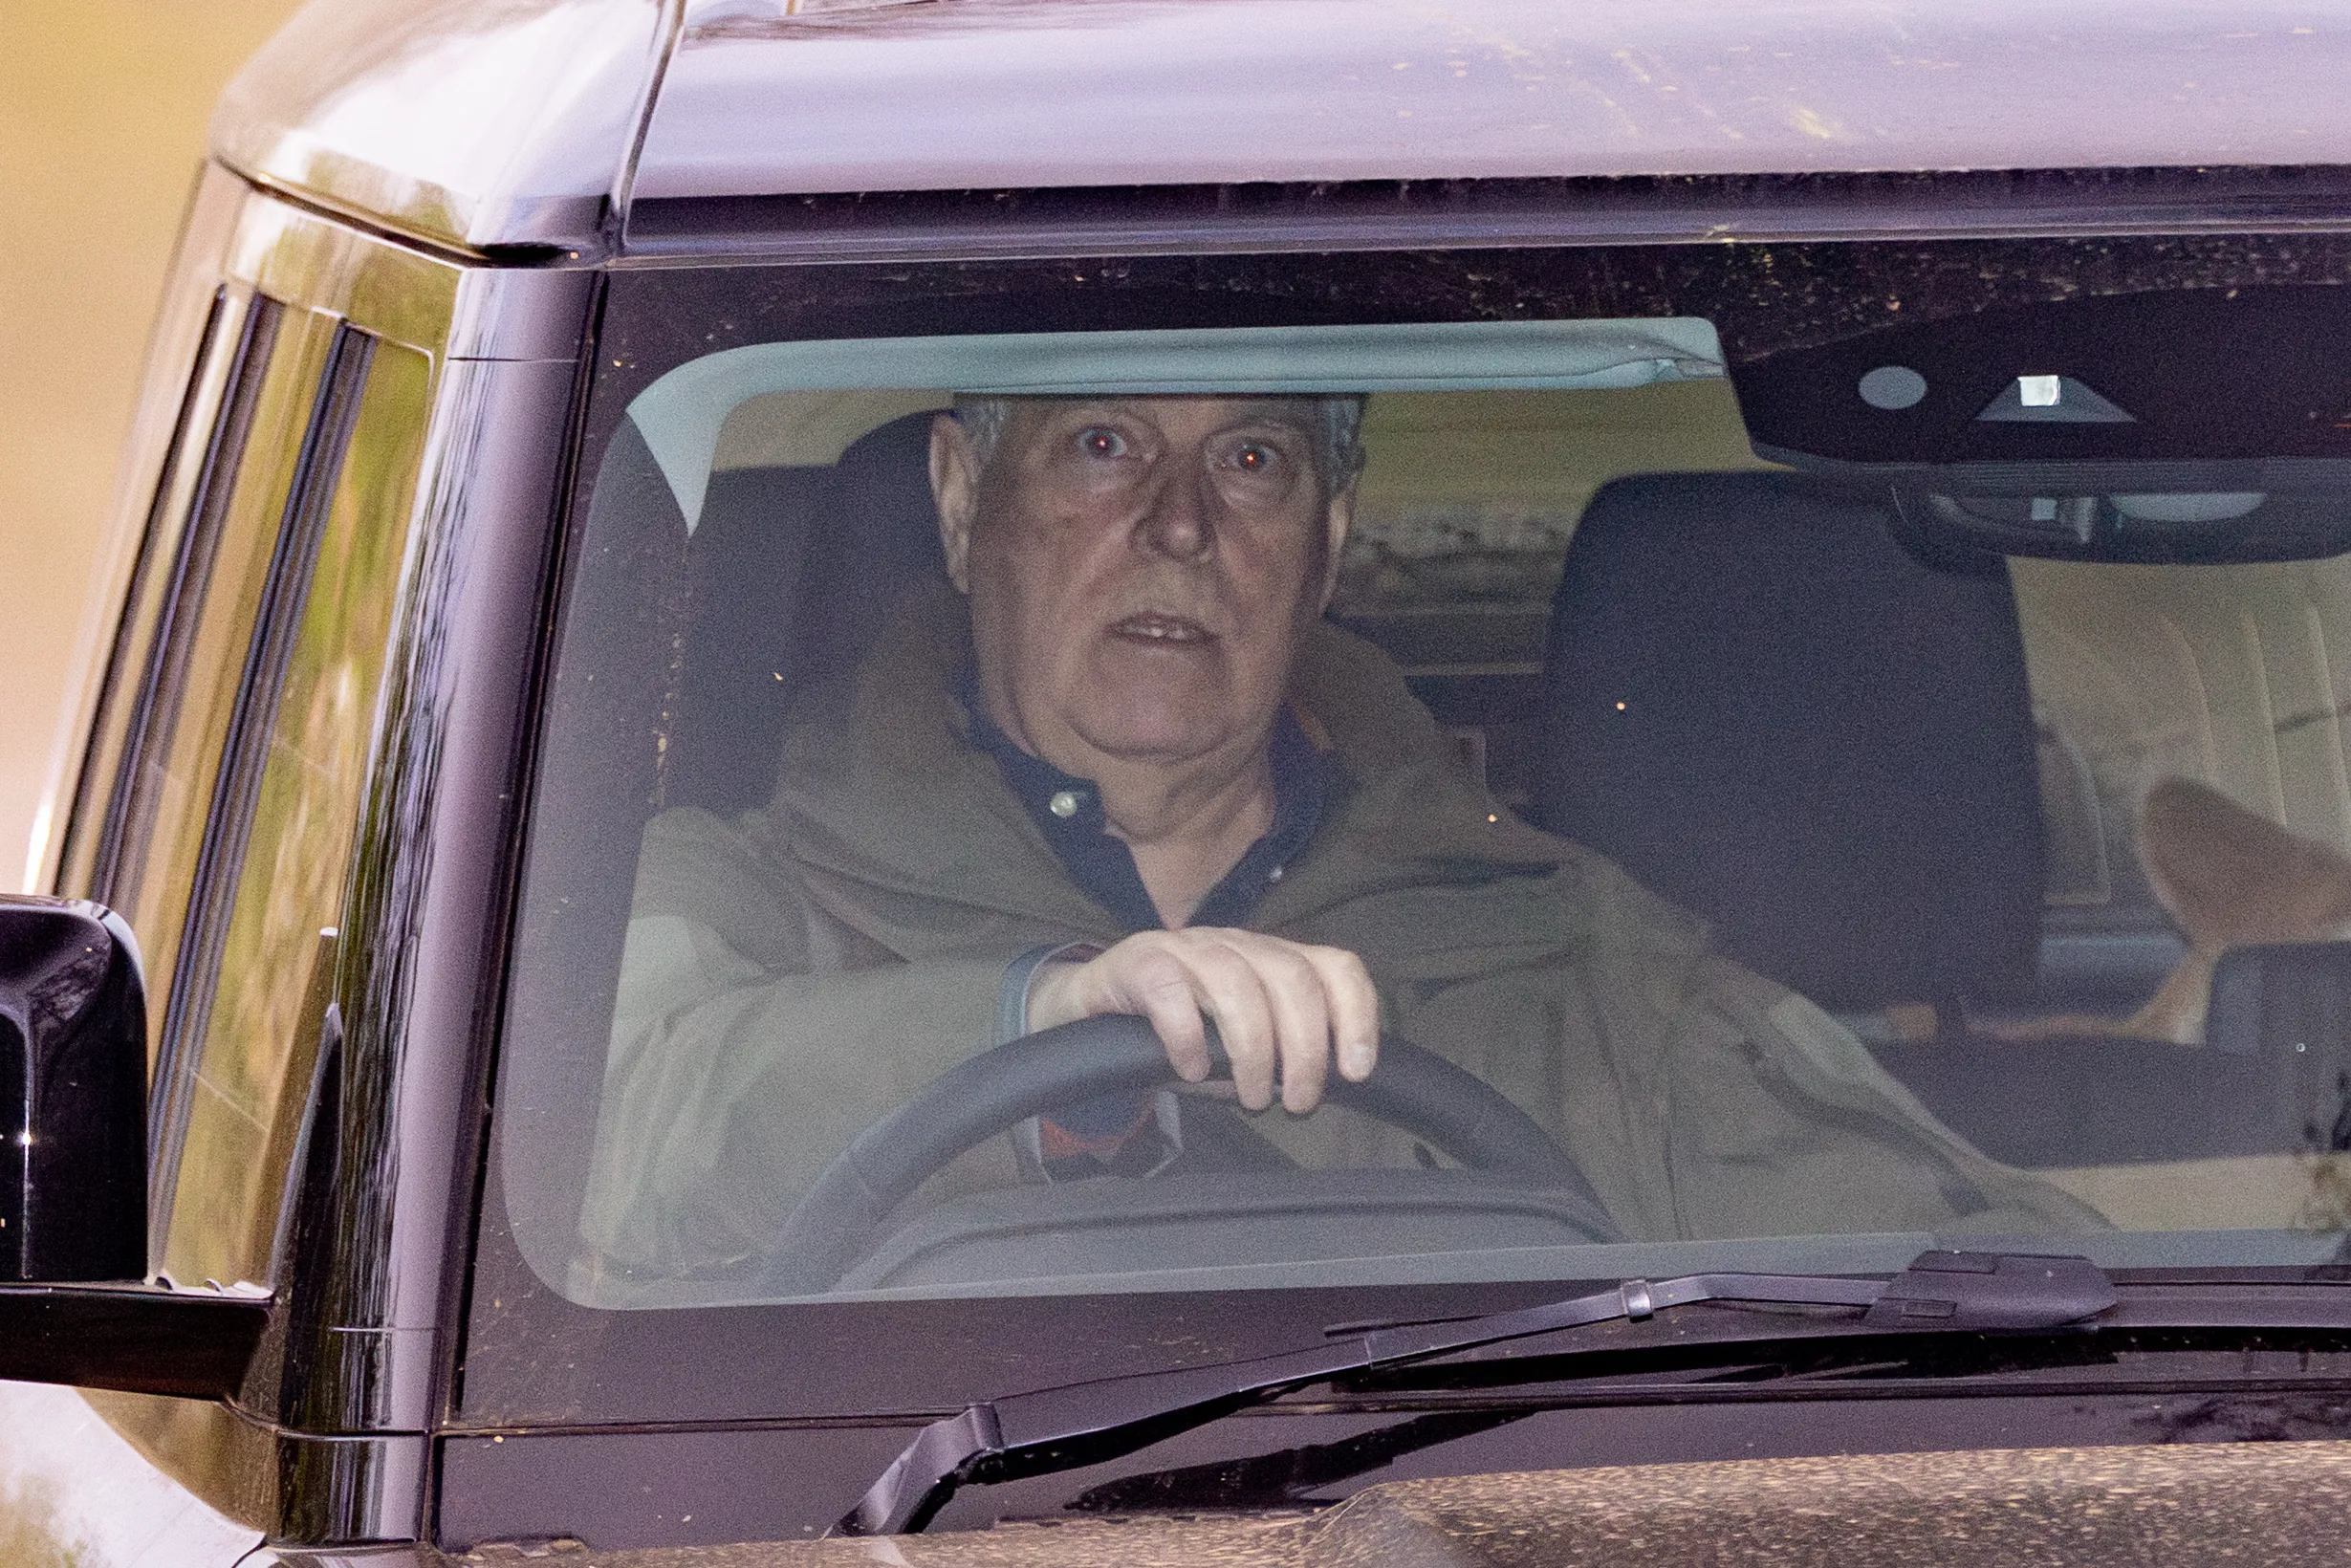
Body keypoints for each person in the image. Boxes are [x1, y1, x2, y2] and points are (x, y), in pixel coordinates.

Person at [578, 392, 2098, 1296]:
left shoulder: (1575, 962)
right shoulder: (731, 893)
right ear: (966, 499)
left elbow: (1979, 1302)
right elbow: (583, 1170)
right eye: (1103, 444)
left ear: (1330, 540)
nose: (1177, 525)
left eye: (1252, 462)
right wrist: (1036, 1025)